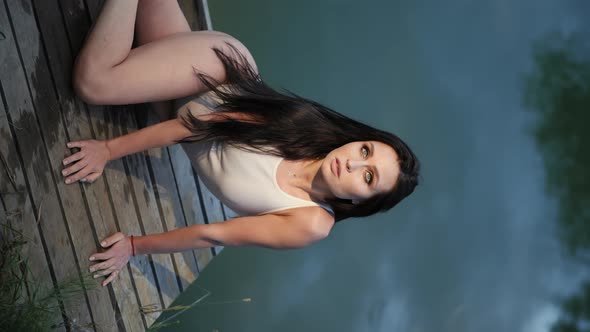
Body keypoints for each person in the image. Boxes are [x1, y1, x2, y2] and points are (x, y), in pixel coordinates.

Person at [64, 0, 420, 287]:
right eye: (365, 150)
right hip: (214, 71)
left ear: (360, 201)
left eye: (369, 177)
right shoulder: (303, 127)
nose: (354, 164)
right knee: (93, 83)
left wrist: (132, 246)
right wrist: (108, 151)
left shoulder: (310, 222)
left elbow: (213, 234)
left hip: (179, 102)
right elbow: (194, 127)